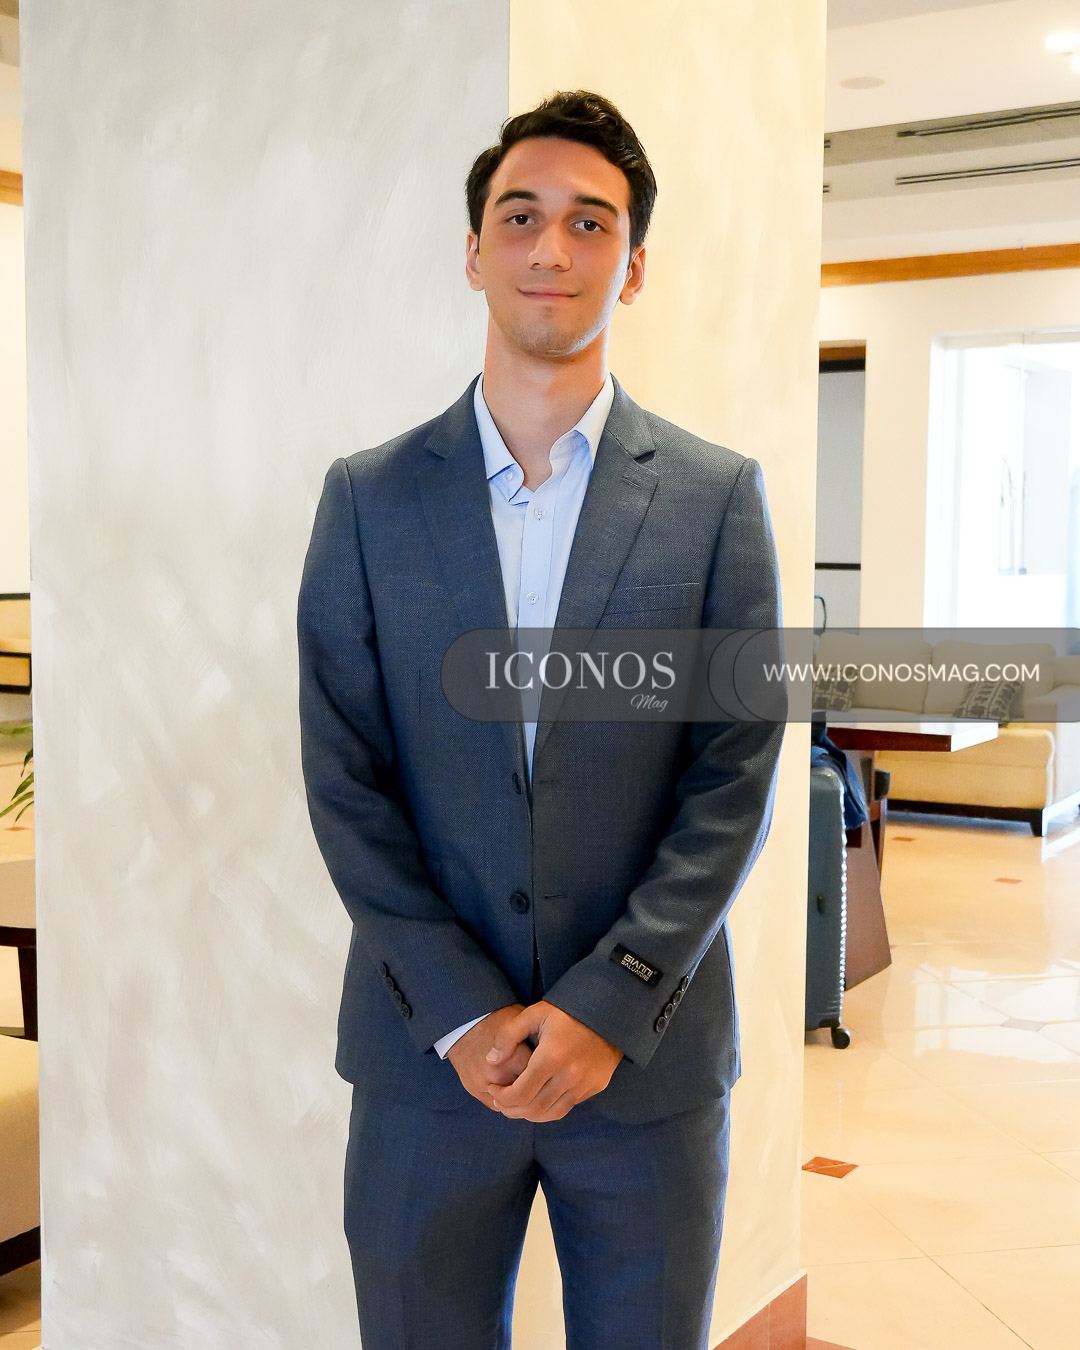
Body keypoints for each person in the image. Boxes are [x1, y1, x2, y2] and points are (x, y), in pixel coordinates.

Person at [297, 88, 785, 1350]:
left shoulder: (716, 500)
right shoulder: (367, 500)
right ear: (475, 252)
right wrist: (462, 1014)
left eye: (590, 222)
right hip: (426, 1063)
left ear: (634, 265)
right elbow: (345, 778)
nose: (551, 248)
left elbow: (732, 777)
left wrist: (609, 1004)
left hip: (647, 1065)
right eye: (520, 216)